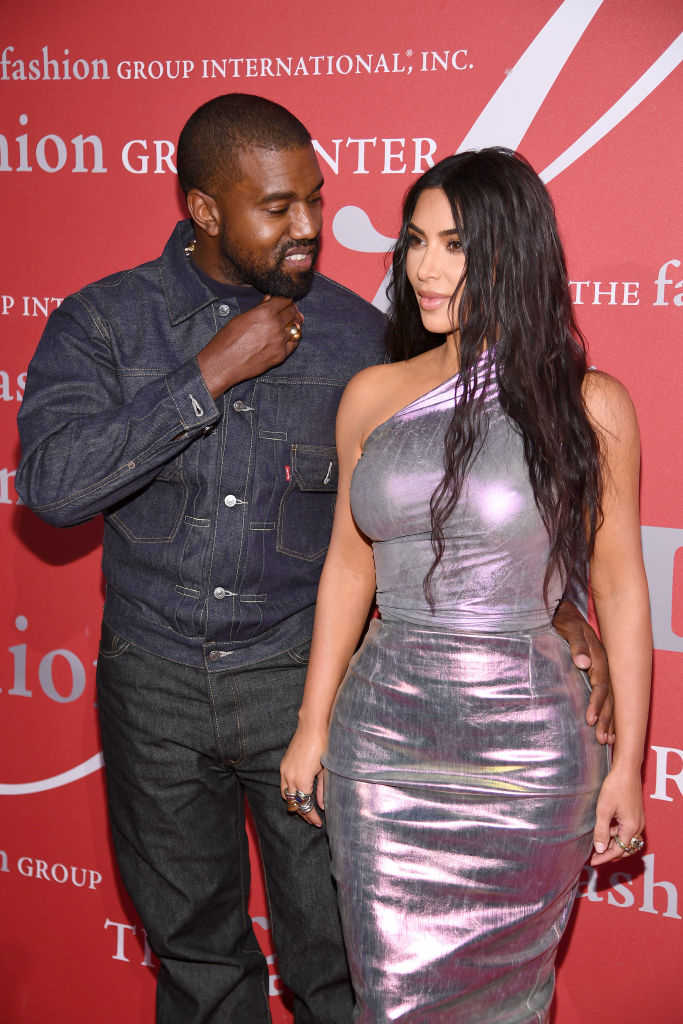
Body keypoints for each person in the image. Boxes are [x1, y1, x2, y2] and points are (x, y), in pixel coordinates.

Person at [15, 92, 610, 1024]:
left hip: (307, 689)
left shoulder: (358, 339)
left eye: (316, 200)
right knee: (196, 956)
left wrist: (554, 600)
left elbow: (460, 490)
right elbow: (51, 488)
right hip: (154, 686)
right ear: (204, 210)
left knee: (340, 964)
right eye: (277, 206)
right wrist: (206, 373)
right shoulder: (106, 325)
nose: (308, 228)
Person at [281, 148, 651, 1022]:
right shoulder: (372, 393)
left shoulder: (588, 405)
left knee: (506, 1005)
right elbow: (347, 565)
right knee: (389, 997)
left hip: (528, 758)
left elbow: (621, 588)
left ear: (511, 254)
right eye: (415, 242)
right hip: (381, 746)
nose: (426, 268)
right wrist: (310, 726)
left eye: (456, 245)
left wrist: (628, 762)